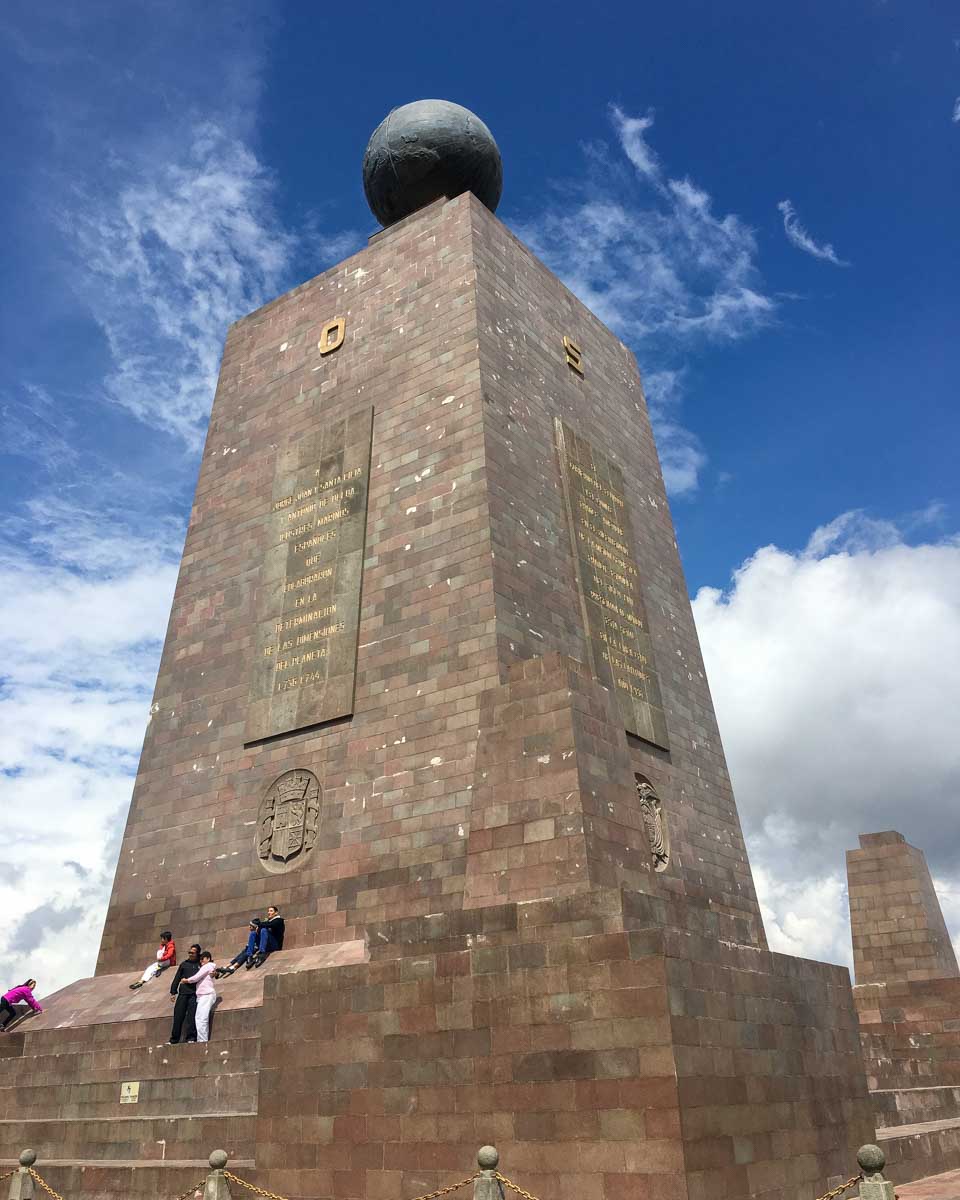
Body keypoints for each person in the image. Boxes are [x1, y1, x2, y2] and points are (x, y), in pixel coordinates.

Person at [168, 944, 202, 1044]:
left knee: (192, 1017)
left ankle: (191, 1038)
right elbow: (177, 978)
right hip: (183, 993)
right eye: (189, 952)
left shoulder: (200, 964)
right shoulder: (184, 964)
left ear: (197, 954)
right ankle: (174, 1039)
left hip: (194, 994)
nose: (190, 954)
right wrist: (173, 992)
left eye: (192, 953)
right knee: (178, 1016)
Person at [189, 951, 218, 1043]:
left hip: (207, 994)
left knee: (202, 1018)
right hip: (203, 995)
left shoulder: (208, 966)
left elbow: (196, 977)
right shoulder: (209, 967)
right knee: (199, 1018)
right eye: (200, 959)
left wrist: (186, 980)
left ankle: (202, 1040)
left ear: (208, 959)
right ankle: (201, 1039)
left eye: (203, 959)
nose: (201, 961)